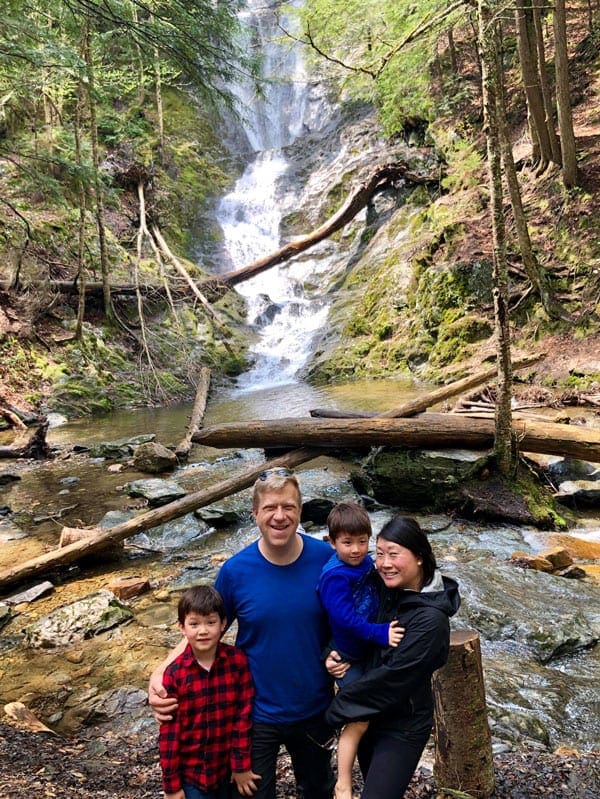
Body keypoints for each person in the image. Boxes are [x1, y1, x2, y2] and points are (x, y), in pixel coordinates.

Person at [150, 468, 336, 799]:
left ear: (300, 511)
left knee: (318, 789)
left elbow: (347, 620)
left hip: (315, 708)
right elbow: (204, 627)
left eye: (288, 507)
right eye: (270, 508)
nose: (280, 516)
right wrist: (162, 671)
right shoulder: (236, 571)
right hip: (255, 712)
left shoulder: (326, 561)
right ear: (255, 514)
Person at [325, 515, 460, 799]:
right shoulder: (382, 586)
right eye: (380, 554)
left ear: (420, 557)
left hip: (402, 725)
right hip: (368, 716)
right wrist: (332, 654)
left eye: (394, 555)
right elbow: (344, 619)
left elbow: (394, 678)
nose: (384, 563)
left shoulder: (431, 621)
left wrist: (335, 713)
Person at [317, 502, 404, 799]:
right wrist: (380, 633)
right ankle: (343, 782)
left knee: (374, 717)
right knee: (358, 719)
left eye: (362, 542)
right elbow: (346, 620)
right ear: (332, 542)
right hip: (348, 654)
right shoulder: (335, 576)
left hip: (365, 652)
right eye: (347, 543)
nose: (356, 549)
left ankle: (374, 777)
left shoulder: (365, 563)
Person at [158, 585, 256, 799]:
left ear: (223, 624)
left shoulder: (237, 662)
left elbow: (243, 717)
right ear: (182, 628)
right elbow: (169, 734)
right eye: (194, 624)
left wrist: (240, 766)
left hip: (226, 769)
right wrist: (171, 786)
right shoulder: (175, 674)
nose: (203, 631)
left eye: (211, 622)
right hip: (191, 774)